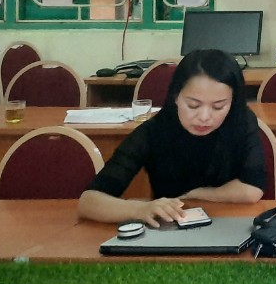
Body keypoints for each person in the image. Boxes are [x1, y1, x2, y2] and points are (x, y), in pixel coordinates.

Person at [78, 50, 265, 226]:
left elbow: (252, 190)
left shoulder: (241, 120)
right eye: (193, 105)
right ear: (175, 97)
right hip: (170, 225)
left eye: (218, 106)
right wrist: (141, 209)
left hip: (228, 223)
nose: (204, 117)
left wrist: (195, 194)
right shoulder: (154, 131)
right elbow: (88, 201)